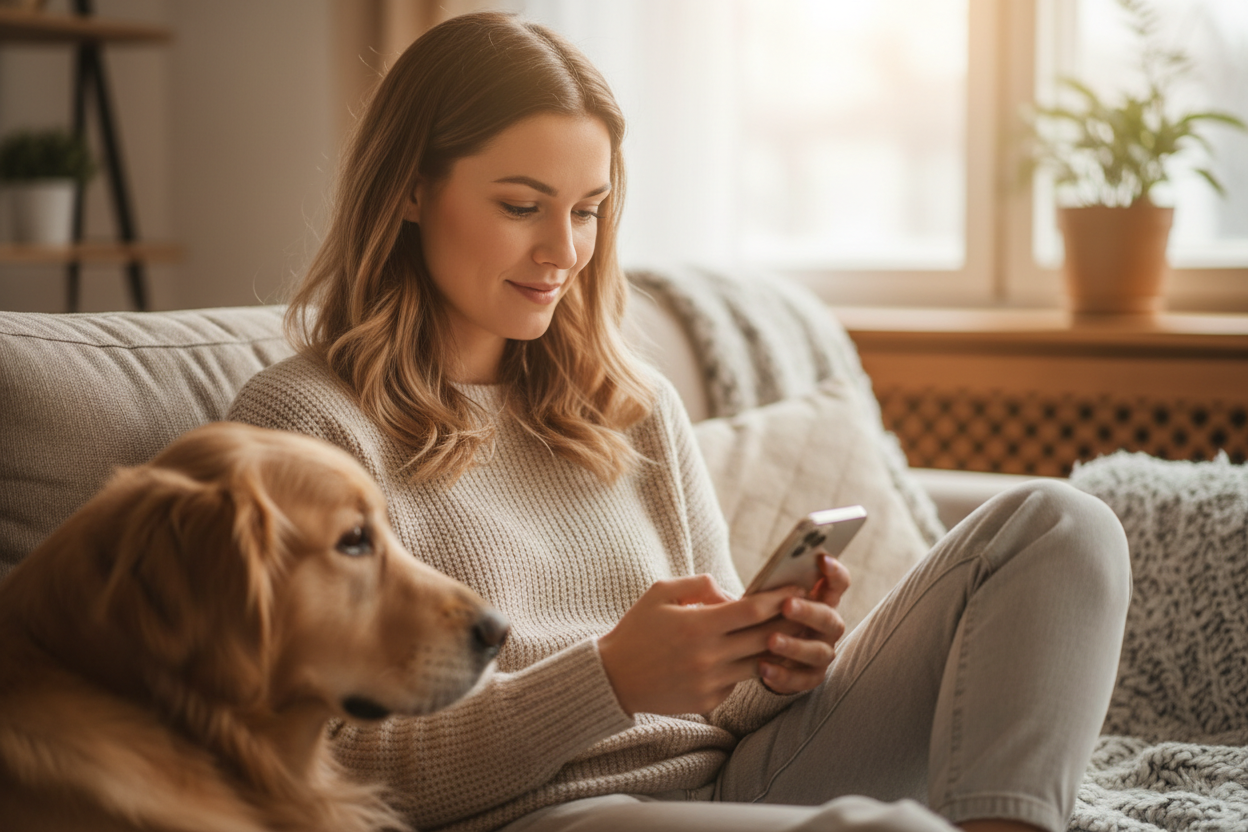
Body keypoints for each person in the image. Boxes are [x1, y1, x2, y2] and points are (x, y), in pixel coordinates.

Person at [228, 11, 1131, 832]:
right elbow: (334, 765)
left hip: (736, 781)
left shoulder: (630, 404)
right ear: (411, 189)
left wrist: (772, 660)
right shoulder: (304, 427)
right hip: (547, 815)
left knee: (1062, 526)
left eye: (587, 211)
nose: (563, 252)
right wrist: (608, 680)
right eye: (521, 206)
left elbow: (719, 706)